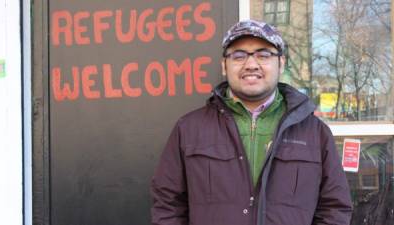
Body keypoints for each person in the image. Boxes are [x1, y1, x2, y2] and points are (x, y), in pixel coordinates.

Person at [151, 19, 353, 225]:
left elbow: (334, 208)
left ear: (281, 63)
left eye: (263, 55)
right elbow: (168, 206)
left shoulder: (315, 133)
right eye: (238, 56)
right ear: (224, 65)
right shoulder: (189, 129)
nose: (251, 64)